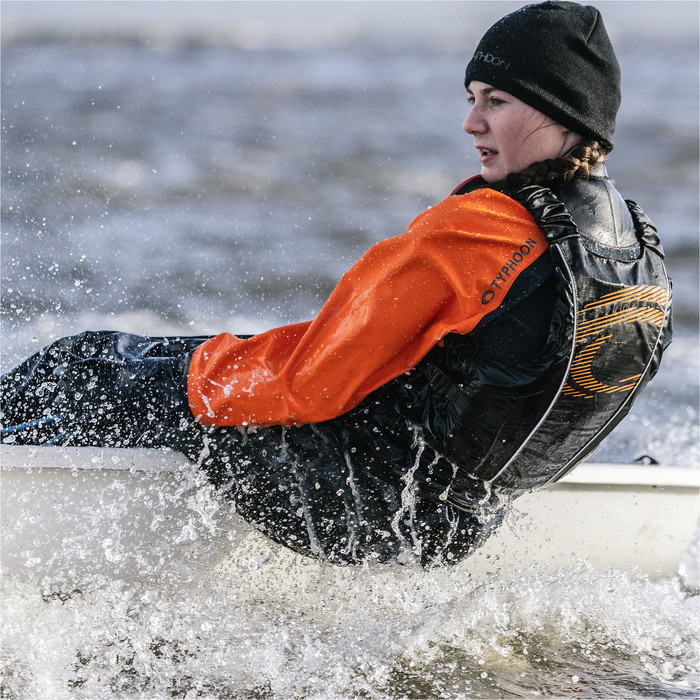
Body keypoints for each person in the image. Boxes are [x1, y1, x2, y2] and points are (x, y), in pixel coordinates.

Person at [1, 1, 672, 567]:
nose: (472, 123)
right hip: (455, 529)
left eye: (495, 101)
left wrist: (185, 380)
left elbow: (308, 383)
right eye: (473, 101)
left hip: (355, 505)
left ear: (563, 114)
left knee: (86, 365)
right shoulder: (641, 252)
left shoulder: (484, 230)